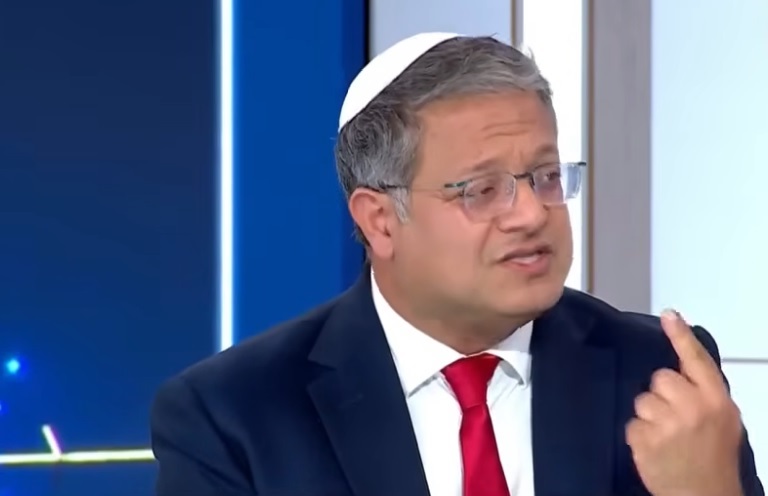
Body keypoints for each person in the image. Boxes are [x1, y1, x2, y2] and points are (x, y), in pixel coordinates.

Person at [150, 32, 764, 496]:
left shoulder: (659, 374)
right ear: (379, 220)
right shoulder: (234, 415)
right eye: (482, 190)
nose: (532, 214)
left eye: (546, 177)